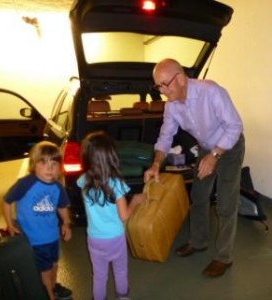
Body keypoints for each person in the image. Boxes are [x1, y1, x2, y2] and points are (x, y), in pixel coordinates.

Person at [144, 58, 245, 278]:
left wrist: (215, 156)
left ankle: (224, 257)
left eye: (164, 84)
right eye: (157, 86)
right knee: (199, 196)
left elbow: (235, 126)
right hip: (207, 148)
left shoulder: (211, 91)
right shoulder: (171, 106)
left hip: (229, 146)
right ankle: (199, 241)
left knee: (226, 203)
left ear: (180, 78)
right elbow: (165, 136)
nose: (161, 91)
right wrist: (155, 165)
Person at [77, 131, 145, 300]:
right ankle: (122, 297)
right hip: (115, 237)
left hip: (94, 238)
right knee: (120, 271)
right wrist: (135, 202)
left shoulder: (83, 180)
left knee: (99, 276)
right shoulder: (116, 184)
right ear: (111, 157)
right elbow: (124, 216)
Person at [2, 141, 73, 300]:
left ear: (59, 167)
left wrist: (67, 223)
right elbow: (6, 201)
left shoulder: (57, 187)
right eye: (44, 162)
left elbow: (62, 207)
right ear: (34, 164)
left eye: (54, 163)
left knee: (54, 266)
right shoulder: (26, 183)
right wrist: (10, 224)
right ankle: (48, 295)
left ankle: (53, 288)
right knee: (44, 271)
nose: (49, 168)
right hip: (34, 240)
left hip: (52, 237)